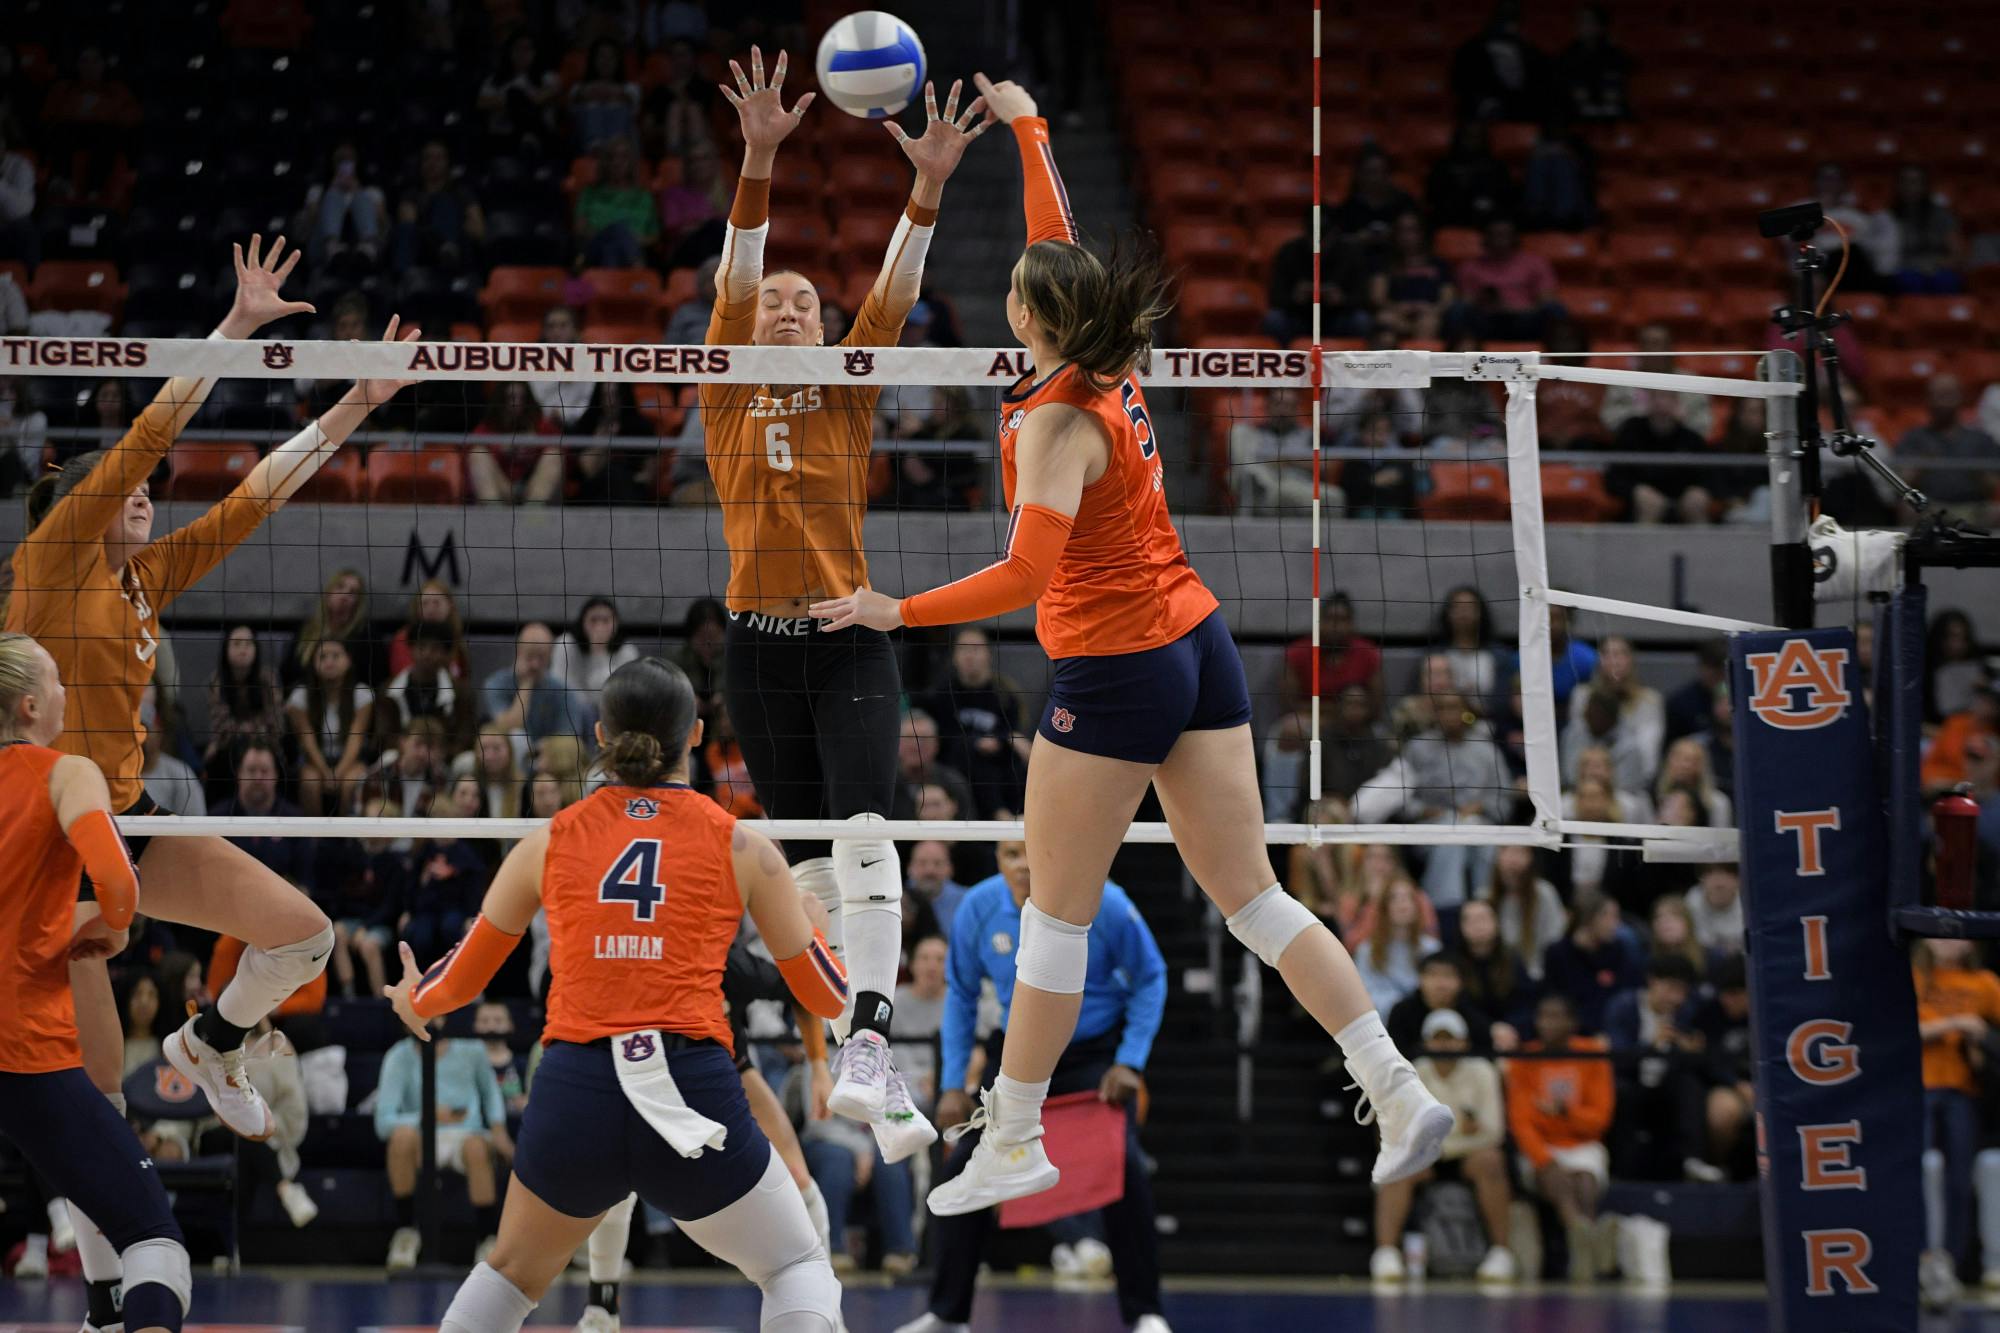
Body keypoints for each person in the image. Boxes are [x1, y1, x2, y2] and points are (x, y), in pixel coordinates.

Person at [813, 74, 1453, 1217]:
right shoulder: (1102, 358)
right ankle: (1394, 1086)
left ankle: (1012, 1135)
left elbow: (1022, 576)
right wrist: (1026, 124)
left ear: (1026, 318)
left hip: (1112, 665)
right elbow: (1053, 238)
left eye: (1017, 290)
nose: (1017, 284)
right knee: (1254, 901)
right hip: (1193, 637)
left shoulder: (1056, 421)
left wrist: (889, 612)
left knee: (1050, 918)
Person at [0, 245, 415, 1302]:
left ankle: (214, 1036)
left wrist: (357, 405)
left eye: (152, 492)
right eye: (128, 489)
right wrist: (233, 329)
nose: (147, 495)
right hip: (46, 843)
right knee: (92, 1098)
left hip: (129, 821)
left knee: (304, 931)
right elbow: (148, 436)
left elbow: (251, 502)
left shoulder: (147, 576)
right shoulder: (51, 561)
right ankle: (103, 1299)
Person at [703, 46, 989, 1162]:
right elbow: (736, 264)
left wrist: (926, 185)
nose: (783, 307)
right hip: (754, 651)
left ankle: (869, 1037)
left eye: (803, 303)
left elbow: (897, 292)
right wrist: (759, 159)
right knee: (807, 865)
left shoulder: (851, 384)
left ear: (824, 329)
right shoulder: (722, 374)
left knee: (867, 830)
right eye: (772, 299)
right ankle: (865, 1066)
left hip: (847, 638)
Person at [382, 656, 849, 1333]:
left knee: (508, 1277)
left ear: (600, 733)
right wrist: (823, 932)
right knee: (796, 1265)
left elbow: (464, 975)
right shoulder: (743, 842)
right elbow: (828, 995)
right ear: (694, 735)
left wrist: (412, 998)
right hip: (692, 1089)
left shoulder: (549, 838)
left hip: (577, 1088)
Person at [0, 632, 194, 1333]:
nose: (64, 692)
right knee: (156, 1245)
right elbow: (116, 879)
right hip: (24, 1051)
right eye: (55, 680)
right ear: (28, 704)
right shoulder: (66, 771)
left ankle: (101, 1315)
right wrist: (114, 924)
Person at [897, 837, 1170, 1333]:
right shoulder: (980, 907)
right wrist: (955, 1082)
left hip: (1093, 1057)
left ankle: (1145, 1312)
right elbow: (960, 993)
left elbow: (1151, 976)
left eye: (1032, 850)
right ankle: (947, 1314)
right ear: (997, 860)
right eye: (1010, 853)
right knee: (959, 1174)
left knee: (1125, 1170)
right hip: (1021, 1052)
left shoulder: (1106, 900)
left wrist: (1130, 1060)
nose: (1024, 864)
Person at [1369, 1008, 1518, 1283]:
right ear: (1426, 1043)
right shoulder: (1413, 1072)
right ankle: (1386, 1252)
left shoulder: (1483, 1071)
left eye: (1451, 1038)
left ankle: (1501, 1252)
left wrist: (1441, 1143)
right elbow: (1399, 1131)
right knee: (1395, 1165)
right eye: (1438, 1039)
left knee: (1491, 1161)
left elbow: (1494, 1132)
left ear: (1464, 1043)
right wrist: (1456, 1136)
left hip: (1461, 1155)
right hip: (1428, 1153)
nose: (1445, 1045)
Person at [376, 1016, 513, 1269]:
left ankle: (487, 1238)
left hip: (466, 1134)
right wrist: (429, 1115)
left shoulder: (471, 1050)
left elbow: (491, 1093)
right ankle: (406, 1232)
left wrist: (498, 1129)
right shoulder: (398, 1056)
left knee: (476, 1147)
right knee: (400, 1138)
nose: (428, 1019)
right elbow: (383, 1122)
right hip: (421, 1135)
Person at [1505, 992, 1614, 1283]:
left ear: (1572, 1022)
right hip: (1541, 1146)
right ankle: (1584, 1234)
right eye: (1543, 1016)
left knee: (1585, 1179)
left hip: (1582, 1145)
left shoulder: (1592, 1054)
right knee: (1554, 1176)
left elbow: (1599, 1119)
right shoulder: (1524, 1058)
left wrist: (1564, 1111)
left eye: (1556, 1017)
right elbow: (1521, 1120)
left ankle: (1582, 1244)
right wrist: (1543, 1158)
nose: (1547, 1023)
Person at [1915, 939, 2000, 1302]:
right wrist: (1959, 1022)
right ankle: (1923, 1257)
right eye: (1939, 933)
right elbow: (1904, 1029)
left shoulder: (1984, 983)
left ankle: (1952, 1258)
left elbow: (1992, 1034)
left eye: (1956, 934)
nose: (1948, 941)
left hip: (1963, 1089)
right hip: (1918, 1088)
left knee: (1959, 1177)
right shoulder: (1915, 976)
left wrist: (1983, 1038)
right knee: (1921, 1169)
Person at [1603, 954, 1716, 1183]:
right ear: (1652, 981)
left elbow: (1702, 1062)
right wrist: (1650, 1045)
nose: (1677, 998)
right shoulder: (1623, 1007)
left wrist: (1689, 1051)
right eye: (1671, 988)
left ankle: (1691, 1160)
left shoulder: (1687, 1013)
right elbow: (1616, 1057)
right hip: (1630, 1082)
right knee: (1621, 1093)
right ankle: (1621, 1173)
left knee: (1689, 1085)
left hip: (1667, 1084)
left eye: (1683, 991)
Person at [917, 625, 1032, 818]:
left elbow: (1014, 736)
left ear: (988, 654)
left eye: (976, 649)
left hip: (999, 766)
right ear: (954, 656)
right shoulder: (942, 694)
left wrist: (999, 741)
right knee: (972, 757)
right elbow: (944, 738)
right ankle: (999, 814)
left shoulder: (1005, 694)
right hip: (957, 767)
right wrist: (976, 742)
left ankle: (1017, 817)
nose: (970, 656)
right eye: (964, 649)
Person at [286, 637, 375, 815]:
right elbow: (307, 740)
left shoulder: (362, 695)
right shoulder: (299, 697)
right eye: (323, 657)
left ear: (348, 660)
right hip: (314, 760)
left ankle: (347, 839)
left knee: (351, 781)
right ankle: (313, 839)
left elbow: (355, 739)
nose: (329, 662)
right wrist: (326, 773)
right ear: (313, 663)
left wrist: (338, 772)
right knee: (310, 782)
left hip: (350, 759)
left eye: (336, 656)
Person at [482, 623, 591, 760]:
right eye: (530, 656)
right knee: (517, 738)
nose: (535, 664)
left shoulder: (564, 691)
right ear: (519, 651)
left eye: (541, 657)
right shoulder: (496, 683)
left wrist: (539, 750)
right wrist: (526, 684)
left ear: (550, 656)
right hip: (508, 761)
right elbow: (506, 728)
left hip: (549, 758)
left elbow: (568, 739)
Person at [1227, 386, 1319, 516]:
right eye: (1278, 404)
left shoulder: (1310, 435)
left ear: (1297, 408)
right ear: (1267, 406)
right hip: (1265, 479)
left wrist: (1289, 461)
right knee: (1239, 432)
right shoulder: (1253, 434)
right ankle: (1263, 489)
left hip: (1298, 483)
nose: (1283, 410)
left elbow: (1327, 464)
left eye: (1288, 405)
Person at [551, 596, 643, 715]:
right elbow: (560, 686)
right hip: (572, 712)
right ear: (583, 622)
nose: (599, 627)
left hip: (614, 712)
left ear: (616, 624)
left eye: (605, 621)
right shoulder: (566, 645)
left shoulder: (627, 651)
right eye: (593, 620)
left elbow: (625, 693)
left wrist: (599, 651)